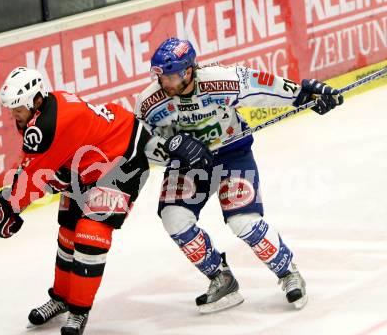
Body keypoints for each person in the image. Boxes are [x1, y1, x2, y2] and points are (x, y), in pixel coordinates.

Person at [135, 38, 343, 313]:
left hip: (231, 152)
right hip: (186, 163)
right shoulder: (149, 101)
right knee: (173, 218)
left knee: (242, 220)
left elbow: (263, 87)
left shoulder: (221, 80)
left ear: (188, 71)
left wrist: (304, 95)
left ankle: (287, 271)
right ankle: (221, 278)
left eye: (171, 76)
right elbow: (139, 141)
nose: (165, 83)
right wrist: (171, 149)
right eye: (161, 76)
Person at [0, 66, 150, 335]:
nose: (13, 115)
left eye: (17, 109)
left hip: (123, 160)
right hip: (88, 167)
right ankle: (61, 299)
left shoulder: (47, 125)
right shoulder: (46, 110)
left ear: (36, 101)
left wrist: (9, 206)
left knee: (91, 233)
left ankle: (78, 309)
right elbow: (41, 169)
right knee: (69, 231)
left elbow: (31, 178)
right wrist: (11, 203)